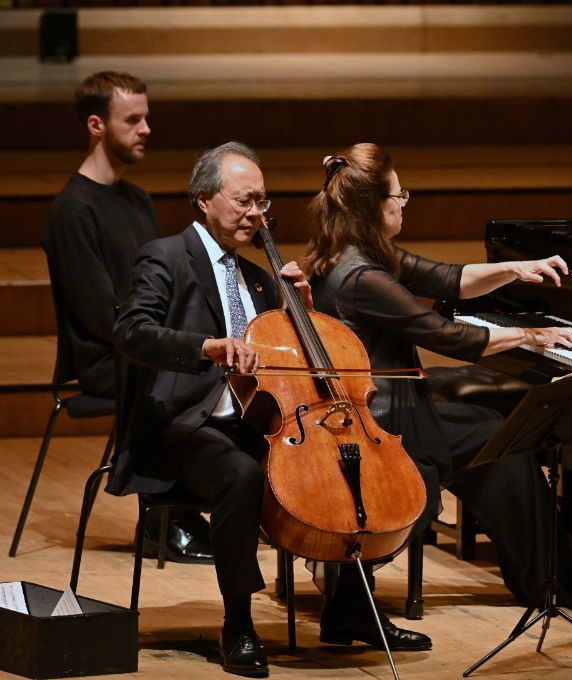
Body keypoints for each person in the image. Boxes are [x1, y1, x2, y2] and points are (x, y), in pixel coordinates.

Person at [108, 142, 429, 678]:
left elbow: (291, 366)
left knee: (345, 462)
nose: (257, 213)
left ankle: (350, 608)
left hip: (257, 422)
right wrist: (205, 347)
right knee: (238, 474)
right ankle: (238, 622)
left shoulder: (262, 278)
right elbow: (131, 332)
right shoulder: (163, 257)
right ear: (203, 199)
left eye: (262, 200)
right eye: (243, 201)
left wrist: (300, 308)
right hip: (181, 427)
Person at [304, 143, 572, 605]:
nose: (403, 202)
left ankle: (545, 573)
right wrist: (530, 337)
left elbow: (448, 278)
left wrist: (516, 268)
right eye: (400, 195)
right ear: (376, 205)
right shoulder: (364, 278)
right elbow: (446, 336)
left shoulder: (356, 252)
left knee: (490, 431)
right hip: (382, 424)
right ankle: (546, 579)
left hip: (376, 411)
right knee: (498, 441)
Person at [41, 70, 212, 564]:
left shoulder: (135, 198)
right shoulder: (72, 212)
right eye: (132, 120)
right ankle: (163, 520)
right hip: (104, 358)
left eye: (146, 118)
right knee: (176, 374)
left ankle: (199, 505)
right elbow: (100, 316)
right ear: (96, 125)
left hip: (140, 343)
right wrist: (173, 343)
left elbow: (167, 284)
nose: (146, 129)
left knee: (214, 368)